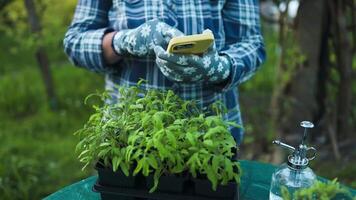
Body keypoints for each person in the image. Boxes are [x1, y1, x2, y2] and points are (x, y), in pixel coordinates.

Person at [64, 0, 266, 144]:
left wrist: (219, 68)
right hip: (128, 137)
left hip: (213, 135)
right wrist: (124, 41)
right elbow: (75, 42)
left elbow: (252, 43)